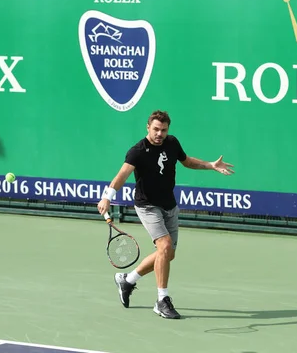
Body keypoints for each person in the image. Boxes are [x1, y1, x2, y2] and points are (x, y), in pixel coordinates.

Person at [97, 110, 234, 319]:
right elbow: (122, 175)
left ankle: (128, 280)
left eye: (163, 130)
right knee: (164, 246)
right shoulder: (138, 151)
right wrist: (107, 196)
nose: (159, 134)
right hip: (147, 206)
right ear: (148, 128)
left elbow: (186, 161)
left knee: (168, 254)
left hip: (169, 205)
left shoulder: (172, 143)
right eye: (156, 129)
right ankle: (162, 300)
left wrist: (210, 165)